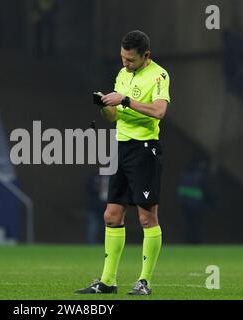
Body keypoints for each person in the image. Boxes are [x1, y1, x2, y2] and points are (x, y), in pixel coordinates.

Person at [75, 30, 171, 295]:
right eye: (122, 58)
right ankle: (108, 282)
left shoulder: (159, 75)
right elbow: (114, 118)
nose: (125, 64)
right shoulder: (122, 74)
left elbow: (159, 112)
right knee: (111, 215)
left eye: (130, 60)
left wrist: (126, 100)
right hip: (121, 148)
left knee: (146, 217)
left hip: (145, 150)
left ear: (146, 56)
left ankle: (144, 282)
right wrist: (106, 105)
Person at [177, 156, 209, 244]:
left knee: (189, 223)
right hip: (196, 203)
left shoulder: (184, 175)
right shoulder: (199, 175)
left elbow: (181, 189)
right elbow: (205, 189)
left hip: (185, 203)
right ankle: (195, 240)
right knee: (196, 223)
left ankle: (189, 240)